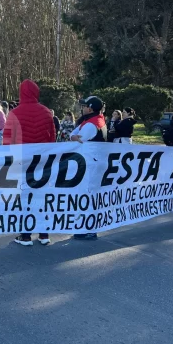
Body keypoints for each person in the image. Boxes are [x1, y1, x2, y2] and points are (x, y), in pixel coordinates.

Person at [3, 79, 56, 246]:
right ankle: (44, 234)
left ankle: (25, 235)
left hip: (22, 161)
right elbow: (52, 138)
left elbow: (7, 140)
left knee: (25, 197)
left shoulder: (14, 113)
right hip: (42, 160)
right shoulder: (47, 112)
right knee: (41, 197)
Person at [70, 95, 108, 241]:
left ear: (90, 108)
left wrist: (73, 137)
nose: (83, 108)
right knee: (88, 196)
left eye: (85, 106)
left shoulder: (91, 124)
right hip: (92, 162)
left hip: (92, 164)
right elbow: (74, 135)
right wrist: (73, 136)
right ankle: (86, 227)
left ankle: (90, 229)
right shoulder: (95, 120)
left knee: (89, 196)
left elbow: (76, 138)